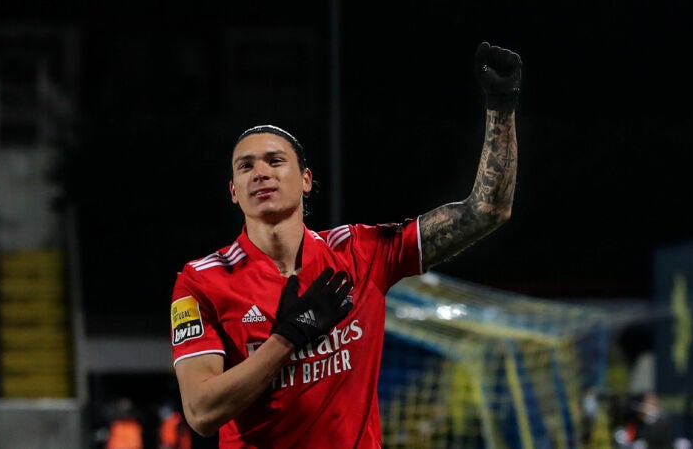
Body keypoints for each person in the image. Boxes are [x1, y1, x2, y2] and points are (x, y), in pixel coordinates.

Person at [170, 41, 522, 448]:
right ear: (234, 191)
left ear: (306, 179)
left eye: (275, 160)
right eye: (245, 166)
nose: (260, 172)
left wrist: (501, 107)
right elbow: (201, 413)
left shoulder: (360, 252)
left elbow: (486, 212)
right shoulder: (202, 281)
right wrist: (289, 337)